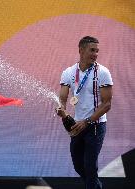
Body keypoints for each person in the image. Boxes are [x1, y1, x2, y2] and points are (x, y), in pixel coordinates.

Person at [56, 36, 113, 189]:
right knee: (78, 166)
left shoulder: (103, 72)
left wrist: (87, 121)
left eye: (97, 51)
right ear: (81, 50)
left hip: (95, 126)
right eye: (92, 50)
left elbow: (107, 104)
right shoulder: (68, 72)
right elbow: (62, 98)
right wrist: (61, 109)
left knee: (89, 166)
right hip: (76, 125)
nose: (95, 54)